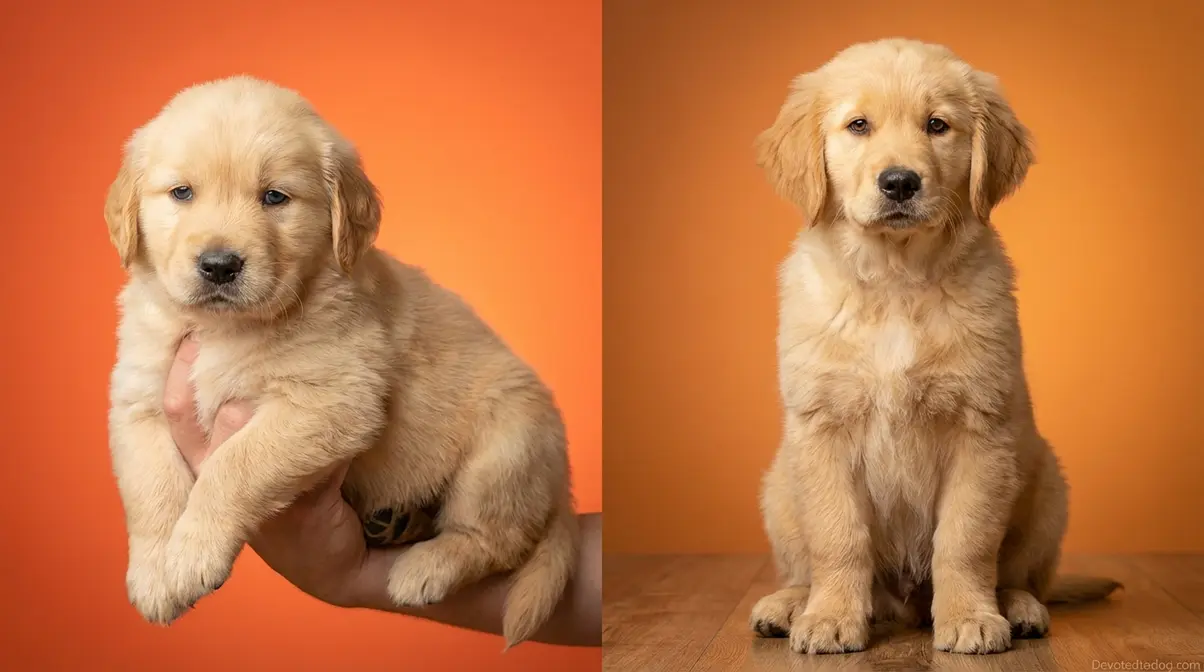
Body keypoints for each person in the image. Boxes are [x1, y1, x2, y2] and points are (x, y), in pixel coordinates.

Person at [161, 338, 602, 648]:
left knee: (512, 418)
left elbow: (338, 410)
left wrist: (219, 506)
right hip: (402, 476)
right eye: (182, 195)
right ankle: (419, 520)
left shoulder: (332, 296)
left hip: (484, 437)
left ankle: (479, 541)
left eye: (273, 197)